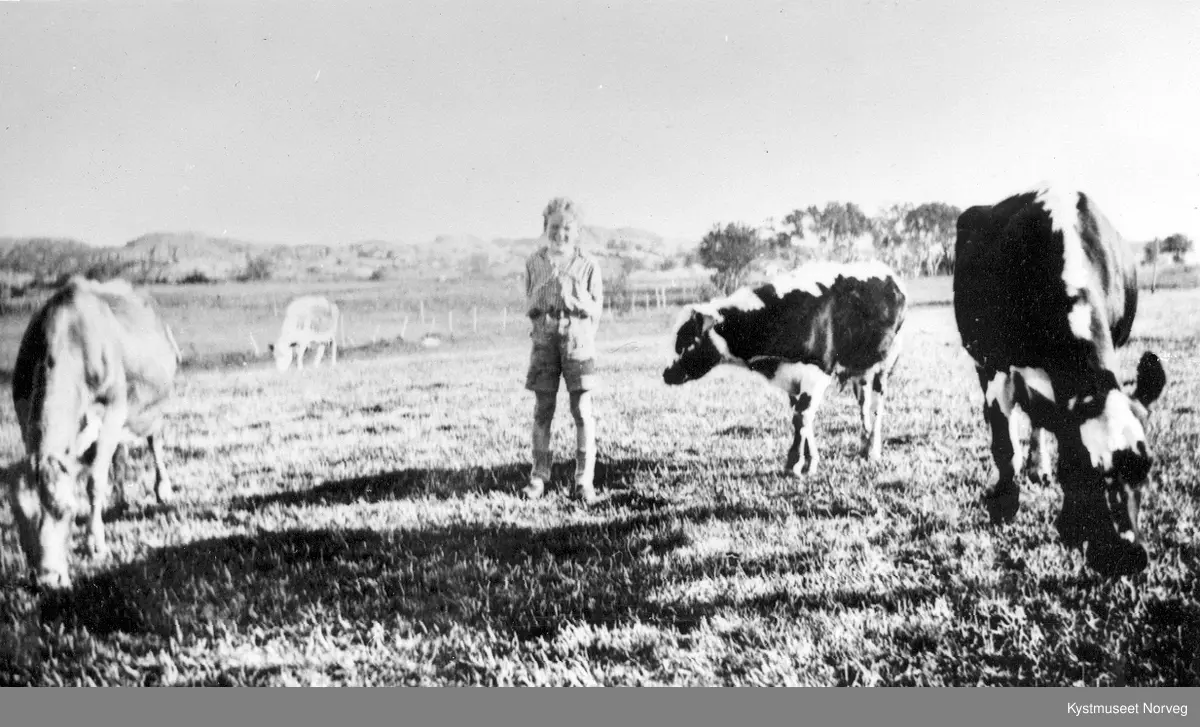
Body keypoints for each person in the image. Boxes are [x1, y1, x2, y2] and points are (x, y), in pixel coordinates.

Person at [522, 197, 604, 504]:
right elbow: (528, 304)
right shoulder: (533, 264)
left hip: (578, 346)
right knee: (543, 410)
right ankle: (539, 477)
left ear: (577, 231)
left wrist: (574, 306)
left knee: (582, 411)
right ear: (546, 228)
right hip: (544, 344)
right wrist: (544, 300)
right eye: (554, 227)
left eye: (567, 228)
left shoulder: (589, 265)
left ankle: (584, 480)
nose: (560, 233)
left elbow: (597, 309)